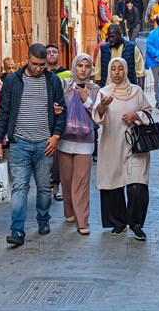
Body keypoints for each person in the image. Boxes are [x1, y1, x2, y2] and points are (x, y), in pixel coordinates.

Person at [0, 43, 67, 247]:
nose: (38, 68)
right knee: (19, 187)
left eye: (42, 65)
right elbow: (4, 111)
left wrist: (55, 137)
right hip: (20, 144)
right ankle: (17, 230)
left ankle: (43, 219)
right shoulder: (13, 81)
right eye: (34, 64)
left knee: (44, 188)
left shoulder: (52, 81)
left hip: (45, 145)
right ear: (27, 59)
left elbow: (63, 111)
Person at [93, 58, 152, 240]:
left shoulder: (136, 91)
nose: (117, 73)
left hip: (136, 147)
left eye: (120, 69)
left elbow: (149, 113)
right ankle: (118, 223)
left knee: (137, 186)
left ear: (126, 70)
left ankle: (135, 224)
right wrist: (103, 106)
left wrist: (137, 115)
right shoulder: (104, 92)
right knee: (114, 183)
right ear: (109, 72)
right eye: (113, 69)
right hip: (112, 145)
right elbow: (97, 118)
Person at [57, 54, 100, 235]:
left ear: (91, 69)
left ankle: (83, 221)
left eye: (87, 66)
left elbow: (99, 115)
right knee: (66, 181)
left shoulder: (95, 89)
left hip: (85, 142)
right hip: (64, 140)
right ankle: (69, 211)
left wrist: (85, 98)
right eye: (80, 65)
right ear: (74, 67)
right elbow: (56, 104)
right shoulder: (64, 85)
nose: (83, 69)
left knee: (81, 183)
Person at [46, 44, 69, 201]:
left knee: (56, 156)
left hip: (59, 118)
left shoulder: (66, 73)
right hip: (43, 119)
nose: (52, 54)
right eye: (48, 52)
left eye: (54, 52)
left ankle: (55, 187)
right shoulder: (41, 73)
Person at [94, 24, 146, 89]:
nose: (110, 39)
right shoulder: (103, 49)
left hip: (127, 91)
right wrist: (99, 93)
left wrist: (140, 94)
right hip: (107, 91)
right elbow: (97, 75)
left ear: (120, 34)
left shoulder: (132, 48)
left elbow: (141, 73)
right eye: (109, 37)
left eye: (113, 37)